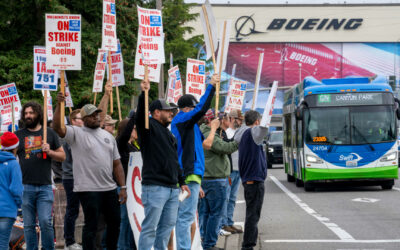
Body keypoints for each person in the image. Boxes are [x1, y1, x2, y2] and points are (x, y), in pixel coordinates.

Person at [53, 92, 127, 250]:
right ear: (84, 119)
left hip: (109, 188)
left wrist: (123, 187)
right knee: (92, 225)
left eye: (97, 115)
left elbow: (117, 164)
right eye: (92, 116)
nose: (96, 118)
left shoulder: (108, 137)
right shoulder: (76, 133)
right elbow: (57, 128)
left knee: (115, 222)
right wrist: (59, 105)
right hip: (88, 189)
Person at [136, 79, 191, 250]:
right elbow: (140, 116)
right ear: (156, 112)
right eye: (168, 111)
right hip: (155, 187)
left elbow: (174, 160)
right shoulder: (147, 127)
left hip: (172, 188)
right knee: (150, 228)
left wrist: (182, 182)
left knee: (166, 228)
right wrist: (144, 94)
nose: (171, 114)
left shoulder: (168, 134)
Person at [171, 74, 218, 250]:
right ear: (184, 110)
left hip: (192, 178)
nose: (196, 112)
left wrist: (198, 186)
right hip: (188, 176)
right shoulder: (182, 121)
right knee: (184, 217)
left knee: (186, 216)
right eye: (192, 108)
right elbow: (201, 109)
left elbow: (203, 147)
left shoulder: (192, 126)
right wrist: (211, 87)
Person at [15, 101, 66, 250]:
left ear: (38, 114)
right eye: (26, 113)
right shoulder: (19, 135)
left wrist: (49, 152)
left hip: (45, 186)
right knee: (29, 225)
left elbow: (62, 156)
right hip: (25, 187)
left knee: (45, 221)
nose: (28, 116)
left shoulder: (49, 133)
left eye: (31, 113)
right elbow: (9, 157)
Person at [199, 110, 238, 250]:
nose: (222, 121)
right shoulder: (208, 133)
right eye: (220, 119)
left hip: (209, 178)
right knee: (215, 214)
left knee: (207, 213)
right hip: (214, 179)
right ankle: (209, 243)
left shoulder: (206, 131)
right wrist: (238, 140)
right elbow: (224, 148)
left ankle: (206, 240)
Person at [234, 110, 268, 250]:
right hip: (254, 180)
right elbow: (263, 130)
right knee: (253, 215)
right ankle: (248, 246)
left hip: (249, 179)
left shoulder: (241, 133)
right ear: (256, 122)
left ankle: (249, 243)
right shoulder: (252, 133)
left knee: (252, 213)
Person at [116, 111, 139, 250]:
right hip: (122, 188)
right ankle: (122, 247)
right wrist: (134, 117)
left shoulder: (134, 145)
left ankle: (131, 246)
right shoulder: (120, 143)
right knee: (124, 219)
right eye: (134, 128)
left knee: (132, 220)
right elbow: (124, 136)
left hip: (133, 188)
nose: (136, 130)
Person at [62, 109, 84, 250]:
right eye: (79, 118)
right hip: (71, 177)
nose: (83, 120)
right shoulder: (70, 136)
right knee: (72, 210)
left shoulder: (82, 134)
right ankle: (68, 241)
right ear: (72, 121)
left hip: (82, 176)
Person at [221, 109, 244, 234]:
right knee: (226, 197)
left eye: (241, 120)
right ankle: (224, 223)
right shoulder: (227, 133)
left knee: (233, 198)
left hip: (238, 169)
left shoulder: (240, 132)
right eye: (238, 119)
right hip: (229, 170)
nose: (240, 122)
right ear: (232, 119)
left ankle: (229, 221)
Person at [0, 132, 23, 250]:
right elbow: (16, 189)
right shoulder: (13, 164)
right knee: (3, 244)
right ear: (15, 148)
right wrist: (19, 205)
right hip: (7, 210)